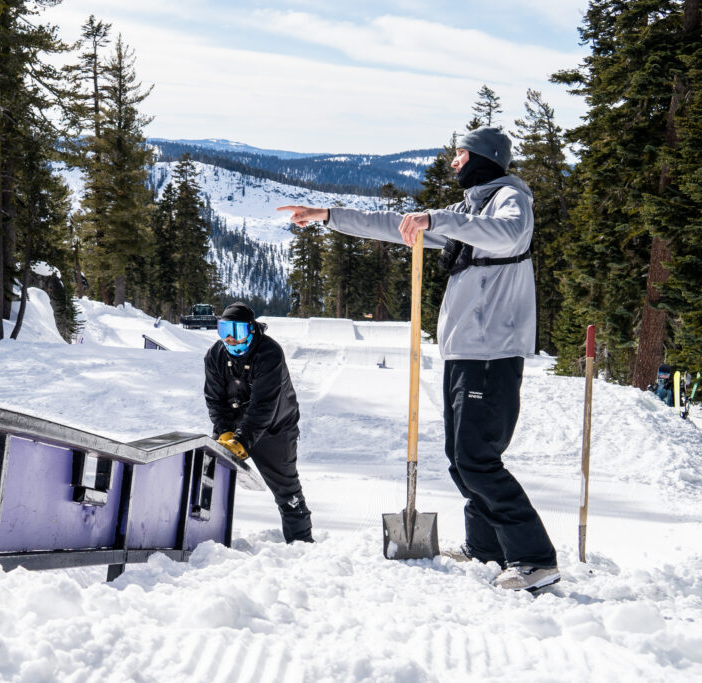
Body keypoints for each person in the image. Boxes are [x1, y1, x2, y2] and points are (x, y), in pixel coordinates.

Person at [277, 126, 559, 591]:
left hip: (492, 351)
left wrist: (438, 219)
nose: (454, 162)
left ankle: (534, 559)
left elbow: (510, 235)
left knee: (477, 459)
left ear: (483, 157)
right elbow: (396, 225)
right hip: (465, 351)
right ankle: (487, 549)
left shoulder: (510, 199)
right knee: (461, 459)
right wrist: (328, 216)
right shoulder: (471, 209)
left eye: (460, 154)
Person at [204, 302, 314, 543]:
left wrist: (242, 440)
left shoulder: (269, 353)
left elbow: (264, 405)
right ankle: (202, 539)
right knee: (207, 478)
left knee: (286, 490)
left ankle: (302, 544)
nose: (230, 338)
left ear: (252, 329)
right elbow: (215, 399)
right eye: (224, 330)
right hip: (234, 425)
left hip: (275, 428)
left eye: (237, 331)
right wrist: (224, 431)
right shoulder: (215, 355)